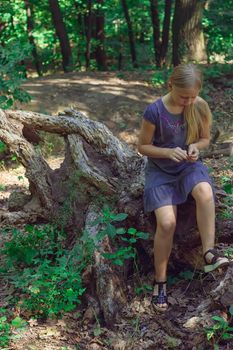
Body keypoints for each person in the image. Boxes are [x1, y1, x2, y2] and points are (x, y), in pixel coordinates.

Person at [138, 63, 229, 312]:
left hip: (188, 167)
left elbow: (205, 139)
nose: (188, 101)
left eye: (192, 96)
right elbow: (142, 147)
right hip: (161, 172)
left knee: (204, 191)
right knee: (167, 223)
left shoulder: (198, 105)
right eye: (183, 96)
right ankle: (160, 281)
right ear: (171, 86)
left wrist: (196, 148)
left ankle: (209, 251)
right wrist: (167, 151)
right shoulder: (154, 111)